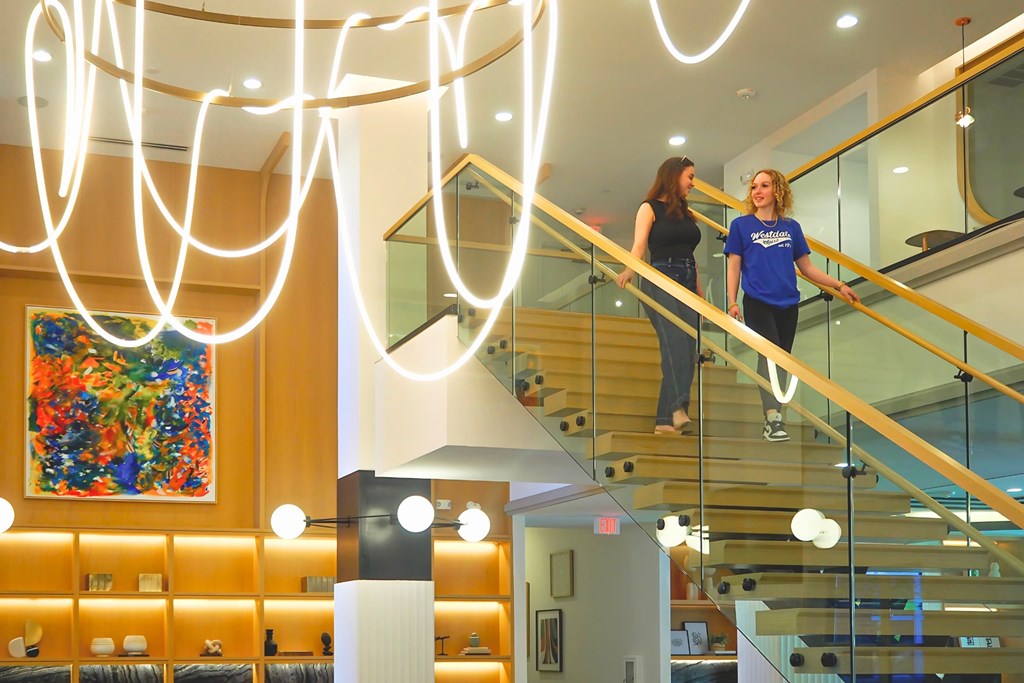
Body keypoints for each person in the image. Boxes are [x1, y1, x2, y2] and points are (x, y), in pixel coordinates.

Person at [724, 169, 859, 442]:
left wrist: (839, 284)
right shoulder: (741, 226)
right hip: (757, 301)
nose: (757, 192)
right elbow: (734, 266)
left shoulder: (791, 228)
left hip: (788, 303)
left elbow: (807, 268)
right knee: (770, 355)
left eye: (764, 186)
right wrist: (732, 301)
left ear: (777, 191)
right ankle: (772, 416)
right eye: (753, 187)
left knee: (783, 360)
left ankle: (777, 417)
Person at [616, 156, 704, 435]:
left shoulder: (687, 213)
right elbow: (639, 245)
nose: (692, 182)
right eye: (689, 176)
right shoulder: (649, 207)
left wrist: (701, 296)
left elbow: (692, 257)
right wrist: (630, 270)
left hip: (688, 280)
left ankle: (665, 421)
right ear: (674, 175)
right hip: (660, 278)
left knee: (688, 348)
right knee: (674, 341)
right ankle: (678, 408)